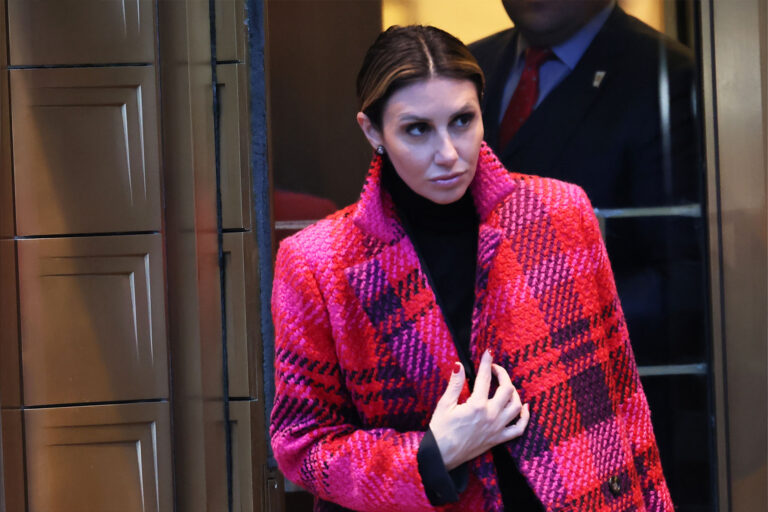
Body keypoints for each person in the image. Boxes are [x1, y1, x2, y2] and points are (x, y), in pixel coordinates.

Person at [270, 25, 673, 512]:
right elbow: (302, 443)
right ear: (372, 131)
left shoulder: (561, 213)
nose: (447, 154)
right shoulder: (318, 263)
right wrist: (431, 455)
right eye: (417, 129)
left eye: (462, 120)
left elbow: (622, 394)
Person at [469, 0, 703, 367]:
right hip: (469, 382)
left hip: (605, 375)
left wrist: (531, 323)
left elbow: (686, 277)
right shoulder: (469, 66)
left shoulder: (666, 74)